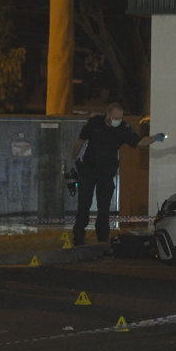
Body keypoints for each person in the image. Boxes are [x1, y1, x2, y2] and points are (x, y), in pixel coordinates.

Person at [70, 102, 165, 246]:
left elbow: (139, 142)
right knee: (84, 205)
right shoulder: (94, 123)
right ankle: (78, 236)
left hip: (106, 173)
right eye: (115, 117)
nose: (117, 120)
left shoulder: (122, 129)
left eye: (120, 118)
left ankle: (102, 238)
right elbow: (80, 141)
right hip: (88, 170)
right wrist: (74, 159)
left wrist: (154, 138)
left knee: (104, 207)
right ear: (108, 115)